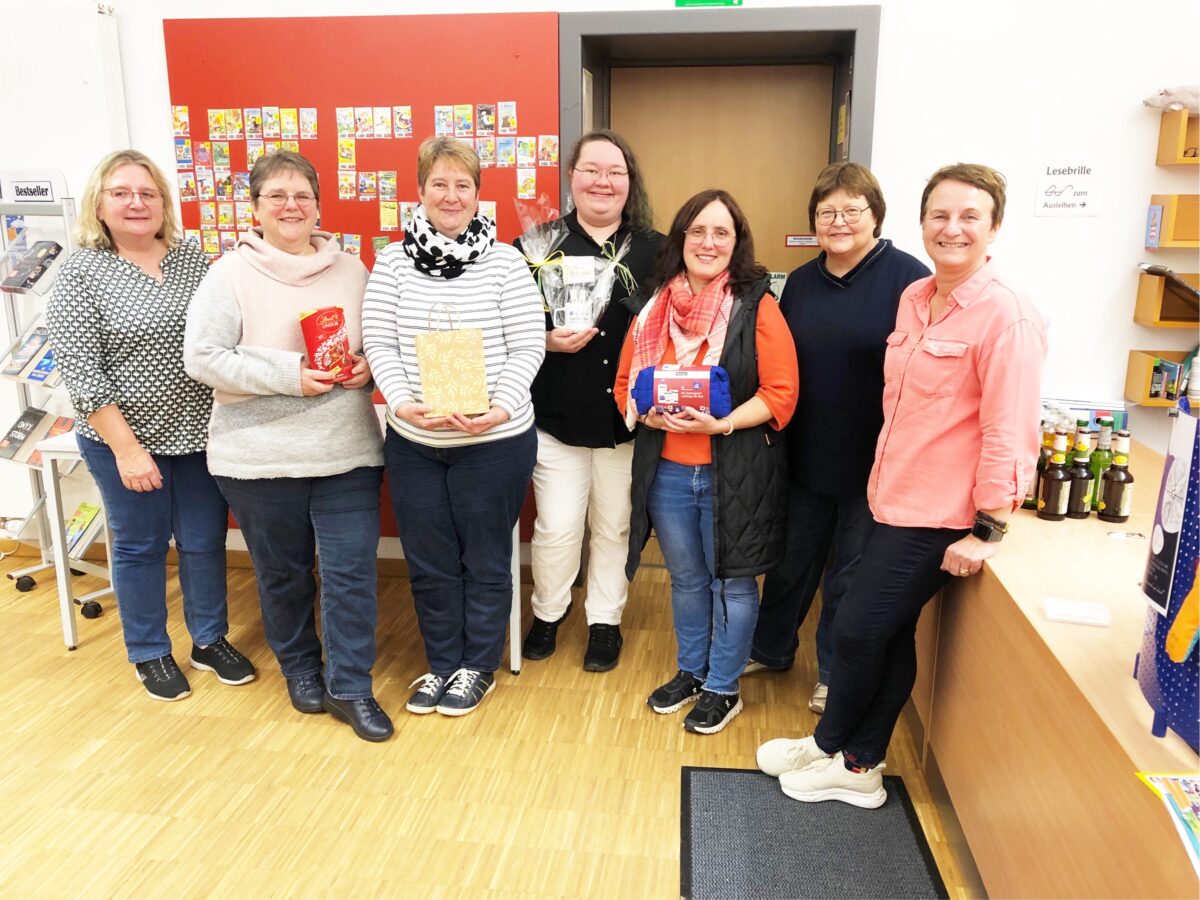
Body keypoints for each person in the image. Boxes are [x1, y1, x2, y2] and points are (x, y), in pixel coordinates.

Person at [757, 164, 1046, 807]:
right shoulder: (917, 299)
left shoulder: (1006, 317)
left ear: (994, 227)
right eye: (941, 215)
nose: (953, 228)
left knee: (859, 630)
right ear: (922, 222)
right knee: (885, 632)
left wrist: (991, 525)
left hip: (940, 513)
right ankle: (843, 752)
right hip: (893, 493)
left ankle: (851, 761)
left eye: (970, 216)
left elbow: (1010, 428)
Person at [183, 151, 391, 742]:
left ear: (319, 206)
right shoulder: (228, 274)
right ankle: (301, 669)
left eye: (301, 195)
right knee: (283, 574)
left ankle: (351, 686)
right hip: (257, 458)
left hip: (345, 450)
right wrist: (290, 373)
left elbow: (378, 343)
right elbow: (202, 357)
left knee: (352, 574)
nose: (291, 206)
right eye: (276, 195)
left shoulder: (353, 270)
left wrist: (365, 368)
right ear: (255, 208)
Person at [46, 149, 254, 702]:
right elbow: (83, 375)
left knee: (205, 540)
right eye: (122, 193)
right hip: (125, 438)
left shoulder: (193, 261)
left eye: (147, 193)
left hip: (200, 434)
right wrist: (128, 450)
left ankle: (208, 640)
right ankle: (149, 651)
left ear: (163, 202)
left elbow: (226, 337)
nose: (136, 203)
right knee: (140, 546)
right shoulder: (79, 274)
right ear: (100, 203)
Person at [363, 136, 545, 717]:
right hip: (417, 441)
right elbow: (380, 341)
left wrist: (500, 407)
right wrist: (401, 402)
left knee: (487, 557)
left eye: (462, 184)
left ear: (476, 194)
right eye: (439, 183)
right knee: (430, 559)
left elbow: (527, 346)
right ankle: (442, 664)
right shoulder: (392, 263)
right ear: (420, 191)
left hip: (494, 441)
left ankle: (477, 667)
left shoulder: (507, 261)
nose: (450, 194)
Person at [746, 163, 929, 715]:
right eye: (828, 212)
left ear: (875, 216)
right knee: (786, 565)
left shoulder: (910, 281)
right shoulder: (800, 282)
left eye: (853, 210)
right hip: (803, 454)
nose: (840, 221)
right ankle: (770, 648)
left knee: (848, 576)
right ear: (814, 222)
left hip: (874, 461)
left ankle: (832, 672)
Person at [615, 189, 799, 735]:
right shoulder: (653, 307)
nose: (708, 242)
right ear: (681, 238)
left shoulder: (757, 305)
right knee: (688, 580)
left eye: (722, 232)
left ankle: (723, 686)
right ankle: (692, 672)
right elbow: (625, 386)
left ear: (737, 242)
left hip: (734, 473)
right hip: (668, 471)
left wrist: (721, 422)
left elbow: (782, 393)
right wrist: (650, 418)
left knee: (733, 585)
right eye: (698, 231)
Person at [514, 130, 663, 672]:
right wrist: (544, 338)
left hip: (627, 422)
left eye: (615, 172)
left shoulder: (657, 249)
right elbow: (506, 329)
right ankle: (549, 611)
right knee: (555, 526)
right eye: (591, 169)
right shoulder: (533, 247)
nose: (603, 181)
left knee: (615, 526)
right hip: (555, 419)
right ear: (572, 177)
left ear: (629, 182)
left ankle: (605, 621)